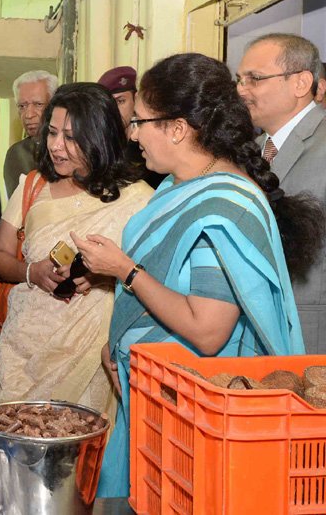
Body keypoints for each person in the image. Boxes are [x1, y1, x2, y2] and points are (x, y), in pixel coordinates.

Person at [80, 53, 323, 497]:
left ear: (176, 128)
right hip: (159, 393)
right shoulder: (180, 186)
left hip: (195, 414)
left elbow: (208, 331)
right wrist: (117, 347)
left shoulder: (223, 206)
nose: (133, 136)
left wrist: (124, 270)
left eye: (140, 122)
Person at [0, 83, 153, 413]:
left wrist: (106, 277)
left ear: (100, 137)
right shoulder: (34, 185)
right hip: (28, 348)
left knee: (87, 455)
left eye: (71, 137)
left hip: (95, 355)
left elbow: (155, 281)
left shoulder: (140, 199)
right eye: (52, 133)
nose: (57, 146)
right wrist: (31, 271)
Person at [236, 33, 326, 352]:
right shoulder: (252, 152)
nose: (240, 90)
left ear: (300, 83)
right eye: (239, 79)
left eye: (254, 79)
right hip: (258, 331)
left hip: (311, 336)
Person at [98, 65, 165, 189]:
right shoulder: (98, 146)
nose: (114, 110)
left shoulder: (147, 145)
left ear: (135, 100)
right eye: (109, 103)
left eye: (120, 101)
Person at [3, 70, 58, 196]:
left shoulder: (74, 146)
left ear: (54, 105)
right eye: (22, 106)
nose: (28, 115)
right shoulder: (18, 154)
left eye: (38, 104)